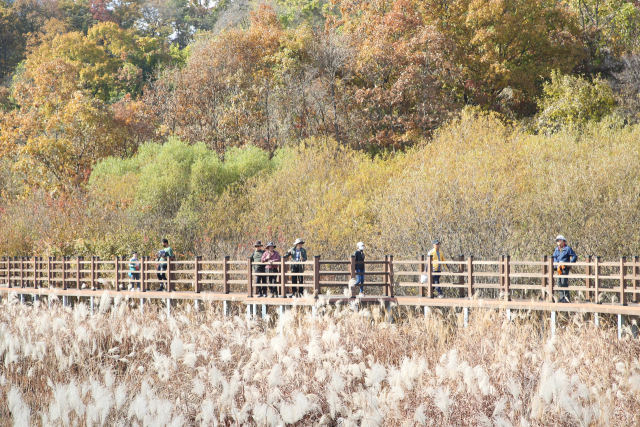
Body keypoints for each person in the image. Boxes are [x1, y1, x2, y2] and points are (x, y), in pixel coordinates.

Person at [553, 235, 577, 303]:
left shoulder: (567, 248)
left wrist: (570, 263)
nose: (557, 242)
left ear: (562, 240)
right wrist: (556, 263)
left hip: (564, 267)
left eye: (558, 240)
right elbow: (554, 257)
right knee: (559, 282)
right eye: (557, 240)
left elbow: (574, 256)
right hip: (558, 267)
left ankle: (566, 298)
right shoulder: (557, 249)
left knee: (564, 282)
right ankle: (561, 297)